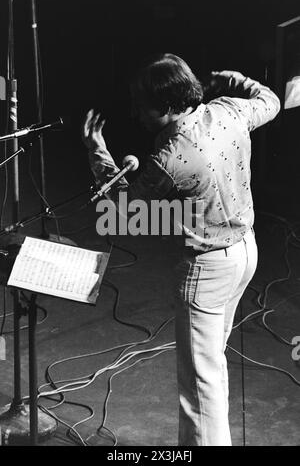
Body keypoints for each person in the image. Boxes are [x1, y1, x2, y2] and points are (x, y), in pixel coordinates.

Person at [82, 53, 280, 446]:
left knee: (199, 390)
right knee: (210, 367)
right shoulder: (228, 110)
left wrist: (96, 148)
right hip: (245, 254)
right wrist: (230, 77)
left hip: (207, 271)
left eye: (143, 107)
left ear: (170, 106)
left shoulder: (172, 157)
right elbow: (271, 99)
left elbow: (122, 206)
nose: (136, 115)